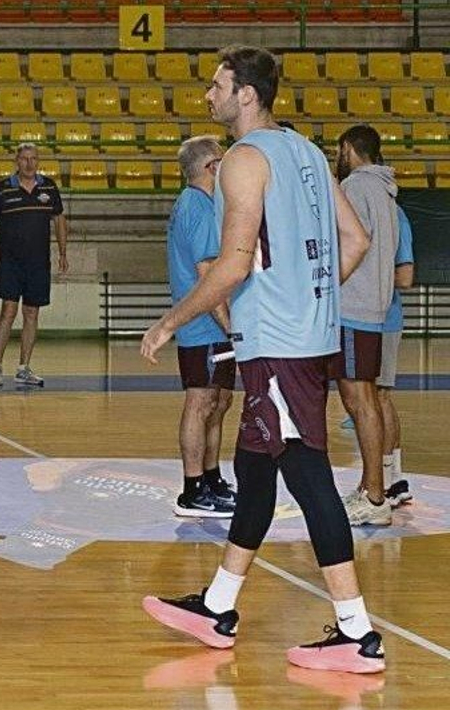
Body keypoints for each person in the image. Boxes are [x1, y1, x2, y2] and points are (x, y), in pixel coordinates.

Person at [138, 45, 382, 674]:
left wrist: (171, 320)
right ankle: (219, 606)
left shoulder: (244, 161)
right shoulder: (304, 151)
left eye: (217, 85)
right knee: (255, 468)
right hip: (298, 339)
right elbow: (355, 239)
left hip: (278, 345)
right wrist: (310, 297)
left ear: (247, 93)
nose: (208, 96)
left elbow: (235, 262)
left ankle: (356, 631)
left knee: (307, 474)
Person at [166, 135, 238, 519]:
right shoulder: (197, 207)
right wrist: (230, 327)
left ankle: (211, 478)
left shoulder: (202, 204)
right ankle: (192, 489)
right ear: (211, 166)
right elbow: (209, 276)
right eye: (223, 161)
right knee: (200, 402)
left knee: (219, 402)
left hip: (211, 326)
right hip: (203, 326)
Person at [333, 124, 398, 526]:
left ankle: (374, 498)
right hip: (372, 308)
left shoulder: (357, 187)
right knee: (367, 400)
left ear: (347, 149)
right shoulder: (385, 190)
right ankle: (370, 487)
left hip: (354, 308)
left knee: (360, 402)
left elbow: (351, 245)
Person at [0, 142, 69, 388]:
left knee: (32, 313)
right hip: (11, 263)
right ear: (17, 161)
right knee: (8, 311)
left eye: (34, 158)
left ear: (38, 161)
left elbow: (59, 218)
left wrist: (62, 251)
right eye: (25, 158)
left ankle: (23, 368)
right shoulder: (3, 189)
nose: (29, 163)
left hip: (39, 263)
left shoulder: (49, 187)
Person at [379, 205, 413, 507]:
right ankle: (396, 479)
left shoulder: (393, 214)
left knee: (377, 400)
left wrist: (365, 280)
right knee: (380, 399)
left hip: (380, 320)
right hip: (374, 320)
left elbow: (404, 277)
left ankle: (387, 481)